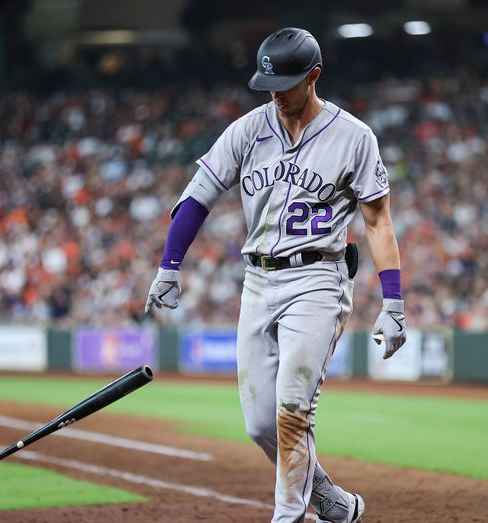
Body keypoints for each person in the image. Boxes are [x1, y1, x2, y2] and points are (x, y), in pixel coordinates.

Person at [146, 27, 406, 523]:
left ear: (314, 76)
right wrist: (169, 266)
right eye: (268, 83)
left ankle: (289, 517)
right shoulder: (248, 129)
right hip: (258, 283)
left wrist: (393, 302)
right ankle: (329, 499)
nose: (275, 93)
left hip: (318, 280)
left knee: (292, 408)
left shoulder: (354, 138)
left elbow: (377, 220)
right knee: (260, 423)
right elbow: (198, 194)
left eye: (285, 83)